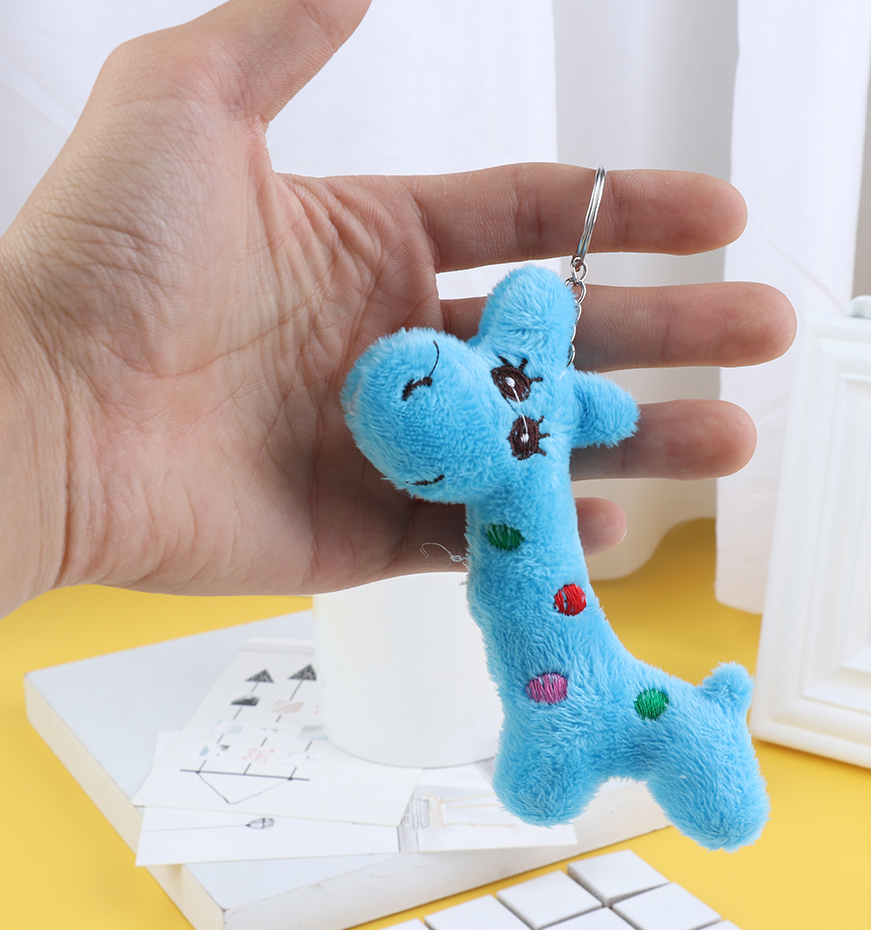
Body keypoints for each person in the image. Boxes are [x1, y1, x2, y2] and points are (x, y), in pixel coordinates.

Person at [0, 0, 794, 622]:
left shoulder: (539, 383)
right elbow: (588, 401)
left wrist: (56, 420)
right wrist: (52, 387)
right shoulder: (519, 377)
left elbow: (592, 404)